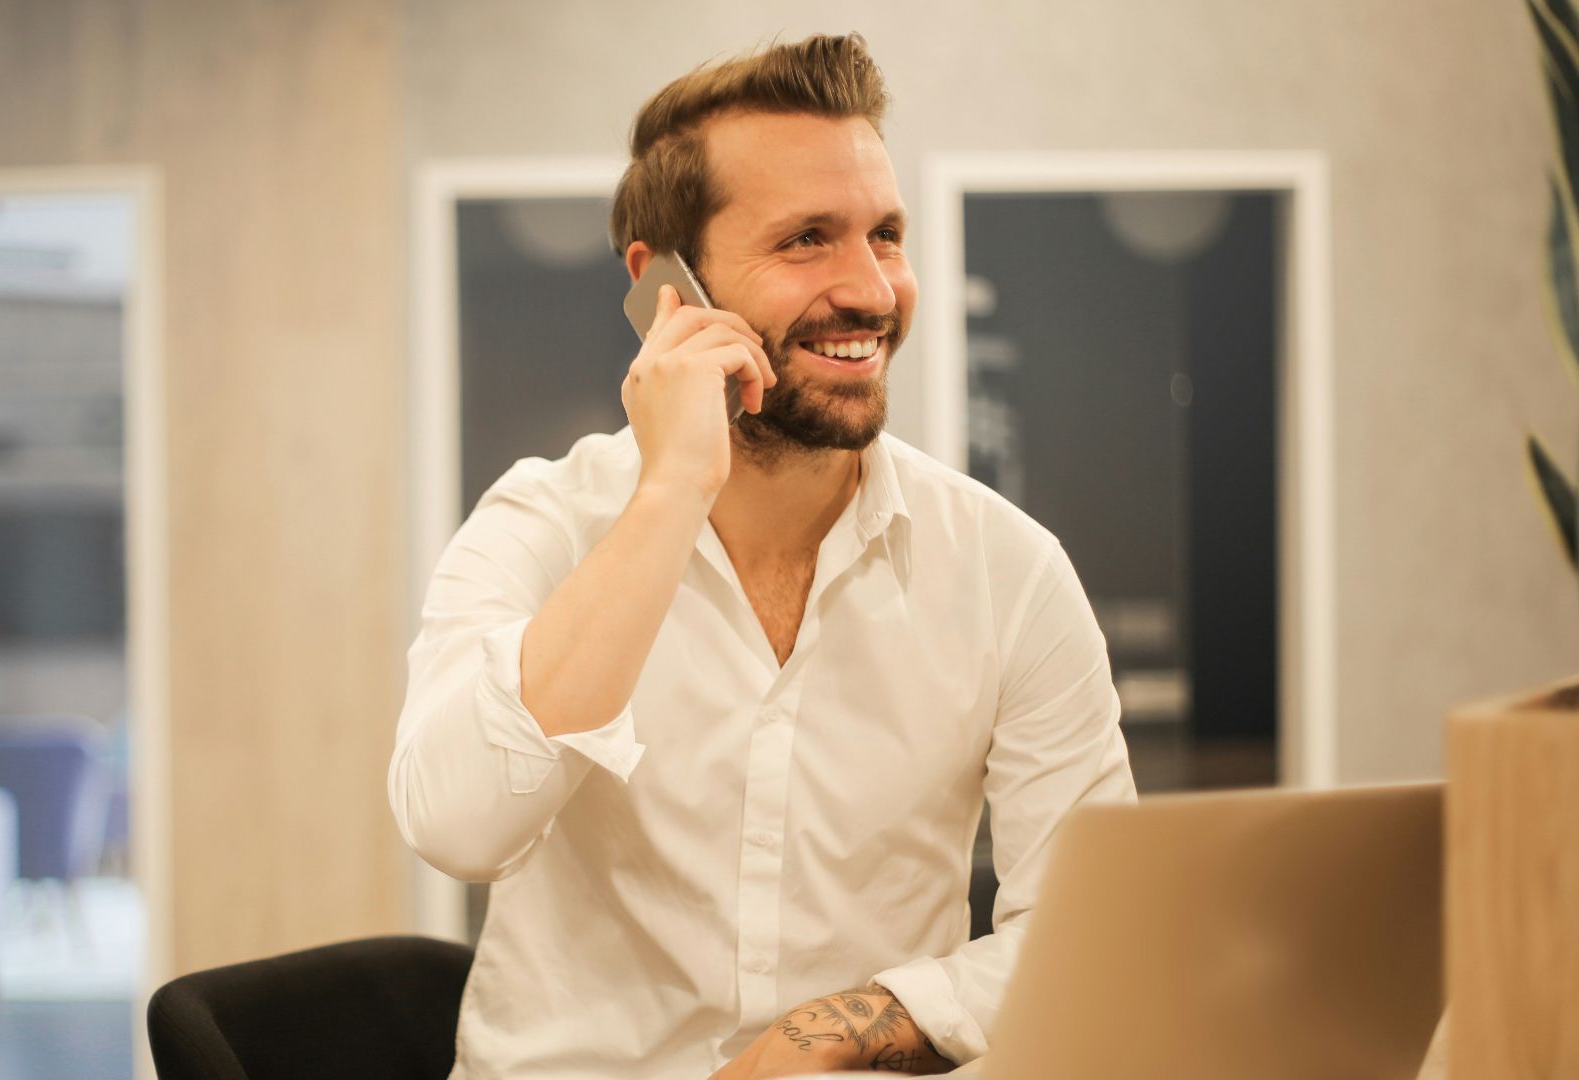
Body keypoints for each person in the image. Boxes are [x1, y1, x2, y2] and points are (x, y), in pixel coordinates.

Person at [390, 33, 1136, 1079]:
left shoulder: (1007, 572)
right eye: (807, 241)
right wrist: (670, 493)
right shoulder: (541, 524)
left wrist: (826, 1030)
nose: (871, 290)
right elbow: (458, 825)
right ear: (668, 293)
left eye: (885, 234)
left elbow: (1084, 938)